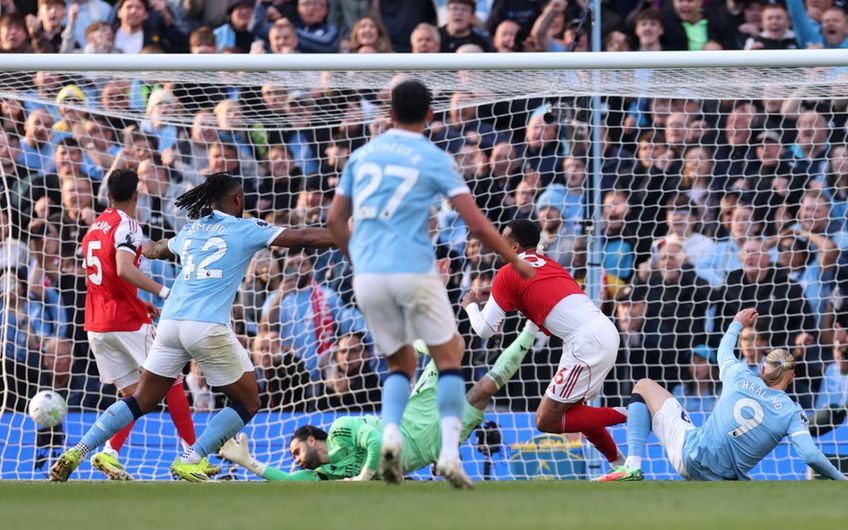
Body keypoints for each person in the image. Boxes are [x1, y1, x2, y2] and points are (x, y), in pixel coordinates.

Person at [49, 173, 334, 482]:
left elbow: (158, 249)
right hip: (206, 325)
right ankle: (191, 458)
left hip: (169, 324)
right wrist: (347, 237)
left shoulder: (190, 230)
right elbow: (305, 238)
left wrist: (139, 247)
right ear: (238, 199)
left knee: (140, 400)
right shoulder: (246, 228)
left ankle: (78, 449)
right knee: (249, 401)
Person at [326, 78, 533, 489]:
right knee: (450, 355)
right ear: (430, 116)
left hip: (368, 276)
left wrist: (358, 262)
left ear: (388, 114)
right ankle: (450, 455)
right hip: (414, 270)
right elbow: (475, 223)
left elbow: (334, 222)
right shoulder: (433, 156)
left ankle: (389, 438)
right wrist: (514, 260)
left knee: (399, 363)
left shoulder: (362, 156)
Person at [218, 328, 537, 481]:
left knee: (455, 347)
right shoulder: (324, 474)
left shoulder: (341, 429)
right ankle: (532, 332)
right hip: (431, 445)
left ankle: (418, 343)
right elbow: (288, 482)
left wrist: (362, 478)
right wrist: (250, 463)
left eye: (297, 452)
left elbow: (375, 441)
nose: (297, 461)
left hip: (411, 420)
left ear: (313, 440)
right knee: (482, 393)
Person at [596, 308, 846, 482]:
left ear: (761, 368)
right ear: (791, 379)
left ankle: (632, 466)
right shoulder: (792, 412)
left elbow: (723, 350)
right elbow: (811, 455)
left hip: (688, 455)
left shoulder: (738, 375)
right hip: (723, 477)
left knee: (643, 386)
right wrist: (840, 478)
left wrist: (737, 322)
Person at [462, 219, 627, 468]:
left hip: (585, 342)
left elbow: (484, 330)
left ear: (515, 247)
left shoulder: (507, 273)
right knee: (573, 410)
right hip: (600, 332)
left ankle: (636, 412)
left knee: (546, 420)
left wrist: (471, 305)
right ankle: (618, 463)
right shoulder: (550, 264)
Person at [78, 169, 199, 480]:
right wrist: (163, 291)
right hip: (126, 322)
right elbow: (121, 269)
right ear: (137, 195)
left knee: (135, 395)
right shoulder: (128, 225)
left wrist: (141, 302)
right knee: (171, 377)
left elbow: (103, 279)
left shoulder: (94, 228)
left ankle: (110, 453)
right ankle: (191, 453)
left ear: (108, 195)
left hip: (97, 324)